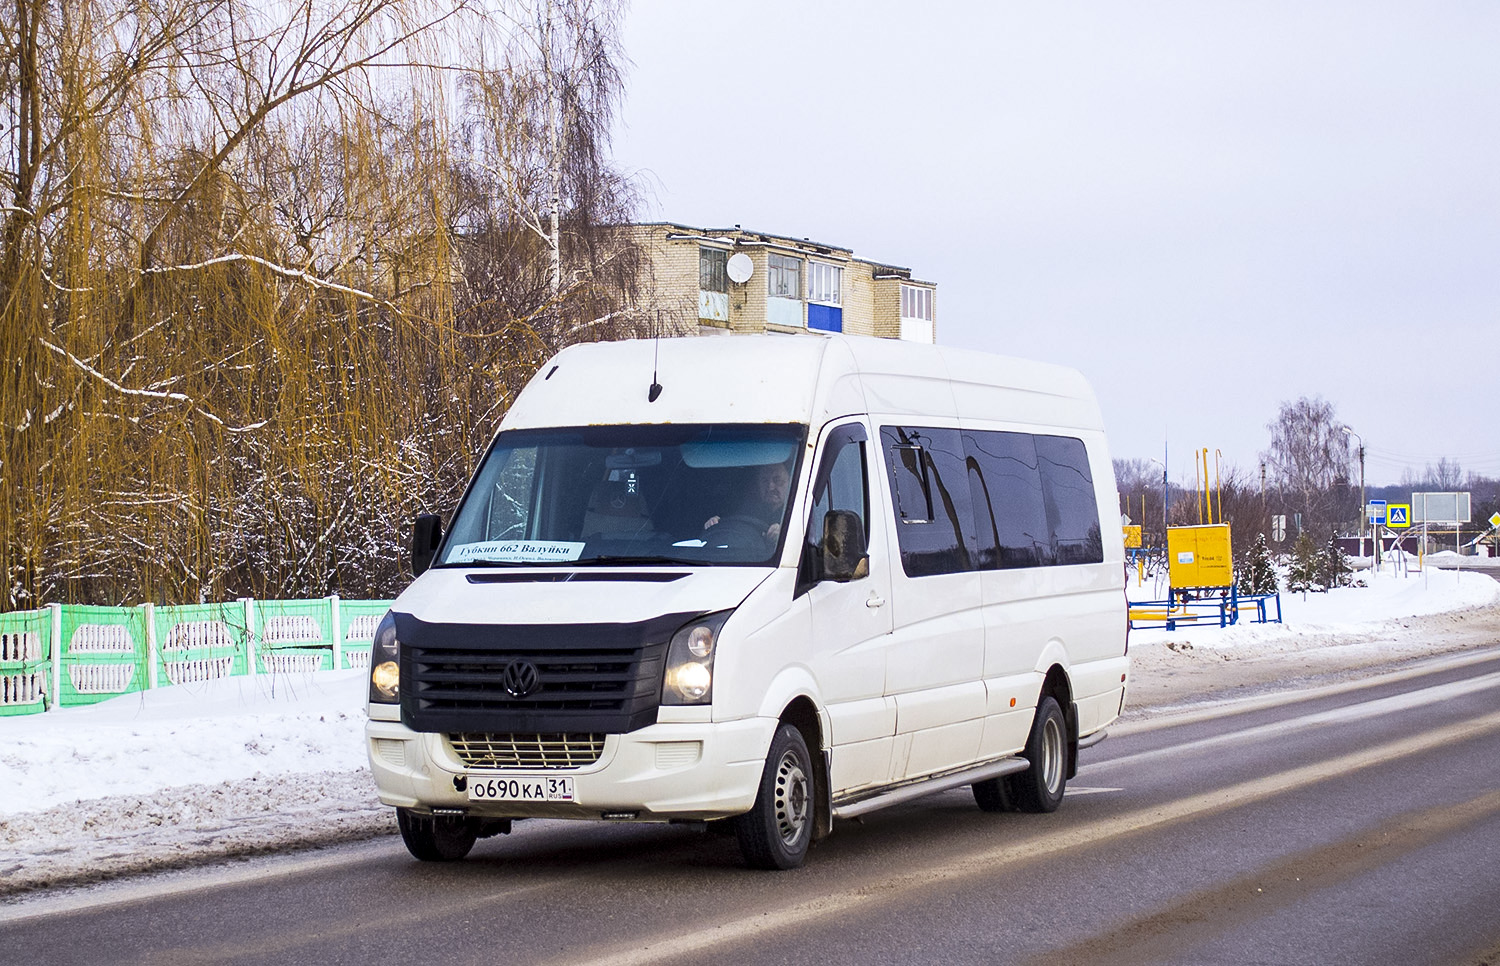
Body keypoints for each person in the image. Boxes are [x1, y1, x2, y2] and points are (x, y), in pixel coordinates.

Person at [704, 461, 792, 545]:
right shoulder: (744, 510)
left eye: (778, 481)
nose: (770, 487)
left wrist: (785, 536)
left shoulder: (797, 513)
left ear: (790, 482)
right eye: (764, 481)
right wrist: (714, 524)